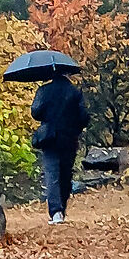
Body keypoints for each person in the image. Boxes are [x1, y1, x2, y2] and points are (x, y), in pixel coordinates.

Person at [30, 69, 88, 222]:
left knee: (52, 173)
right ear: (67, 74)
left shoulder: (44, 90)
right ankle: (62, 206)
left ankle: (56, 212)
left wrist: (48, 113)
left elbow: (35, 112)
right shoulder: (75, 92)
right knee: (65, 174)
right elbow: (84, 117)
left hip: (49, 137)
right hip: (69, 138)